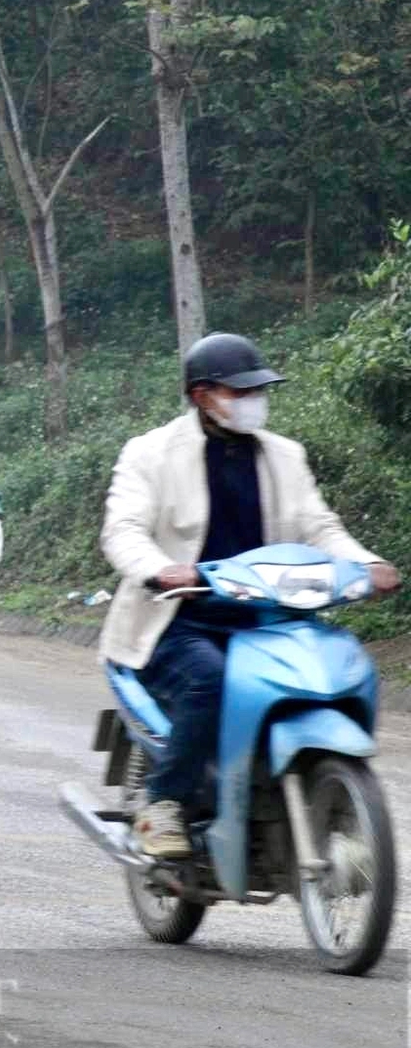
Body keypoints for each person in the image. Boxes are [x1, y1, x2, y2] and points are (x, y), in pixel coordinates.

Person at [100, 332, 401, 859]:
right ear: (202, 395)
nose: (253, 401)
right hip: (180, 618)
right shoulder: (149, 453)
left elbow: (319, 526)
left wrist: (366, 562)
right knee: (209, 682)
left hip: (270, 617)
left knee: (341, 669)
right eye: (238, 392)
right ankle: (163, 803)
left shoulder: (286, 455)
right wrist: (160, 569)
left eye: (257, 390)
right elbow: (122, 530)